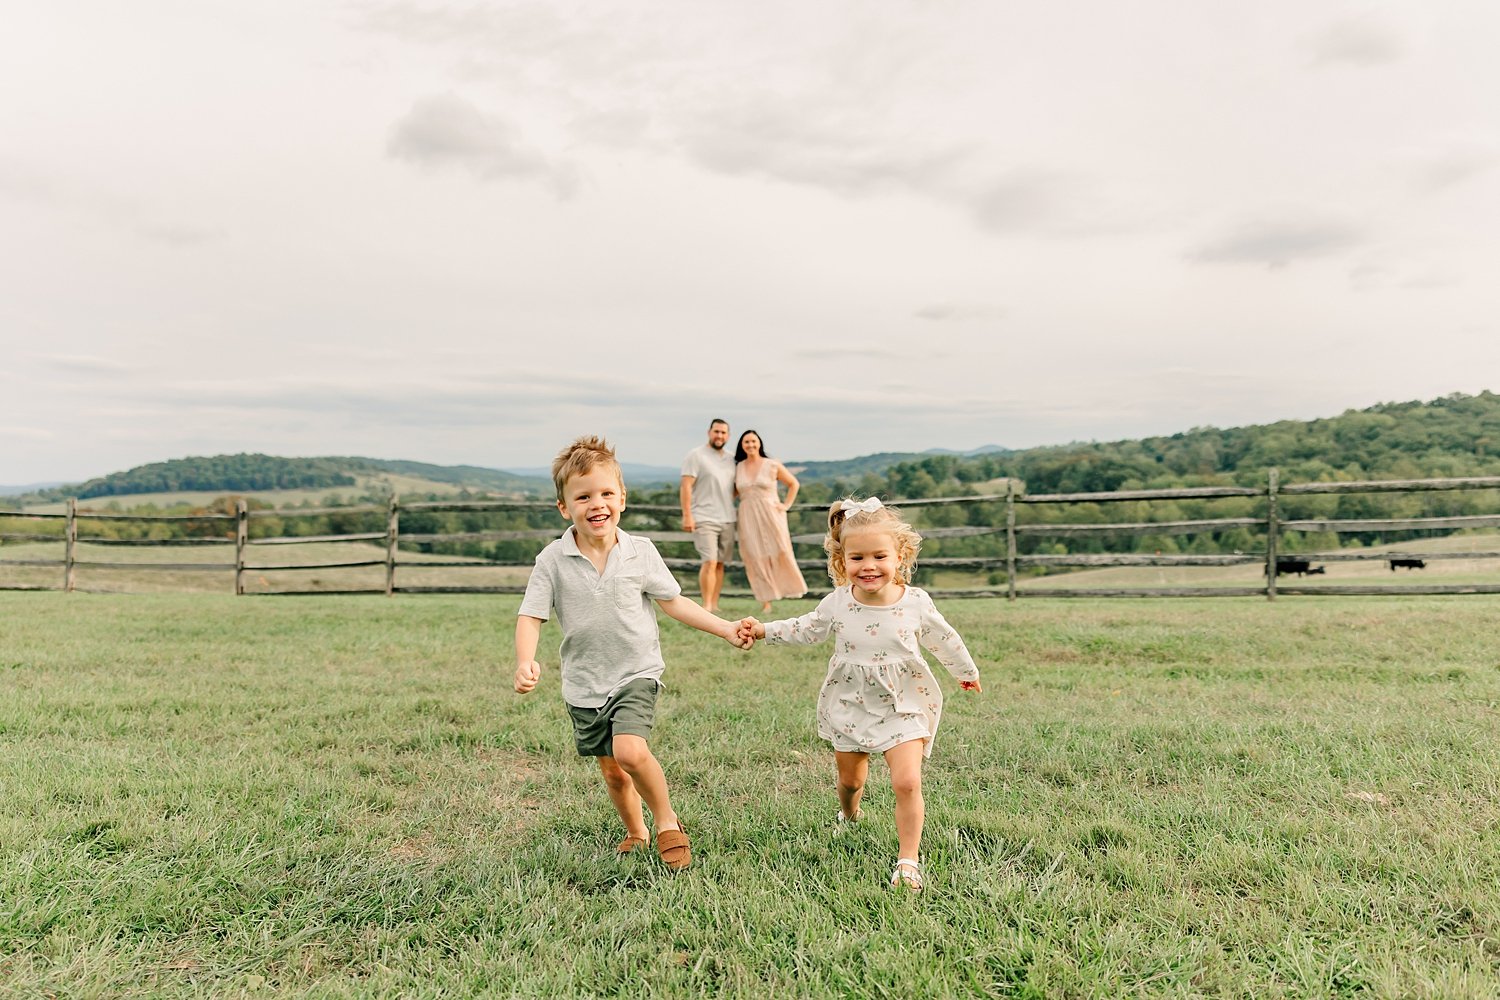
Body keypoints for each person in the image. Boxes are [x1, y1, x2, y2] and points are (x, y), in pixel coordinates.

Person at [515, 435, 751, 872]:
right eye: (583, 496)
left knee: (629, 751)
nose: (596, 503)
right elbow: (531, 615)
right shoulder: (551, 559)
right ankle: (636, 831)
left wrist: (724, 629)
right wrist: (526, 659)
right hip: (584, 682)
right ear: (565, 507)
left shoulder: (640, 552)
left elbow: (674, 602)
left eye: (606, 493)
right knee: (612, 770)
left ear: (622, 497)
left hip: (636, 672)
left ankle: (665, 823)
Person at [737, 497, 981, 893]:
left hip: (904, 702)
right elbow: (806, 628)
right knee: (851, 780)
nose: (868, 566)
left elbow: (943, 638)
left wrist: (965, 672)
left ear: (900, 556)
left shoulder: (915, 602)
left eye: (879, 556)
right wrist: (765, 629)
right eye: (857, 558)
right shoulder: (838, 603)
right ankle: (849, 814)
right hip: (850, 702)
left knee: (907, 782)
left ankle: (908, 862)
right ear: (841, 561)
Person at [733, 429, 806, 613]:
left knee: (780, 549)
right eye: (746, 442)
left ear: (759, 443)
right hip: (747, 514)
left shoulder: (771, 464)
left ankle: (789, 589)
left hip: (771, 513)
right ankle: (766, 600)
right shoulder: (738, 467)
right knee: (755, 554)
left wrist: (786, 505)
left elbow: (793, 483)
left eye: (753, 441)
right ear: (742, 445)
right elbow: (732, 492)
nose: (750, 445)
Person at [679, 418, 738, 613]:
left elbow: (735, 488)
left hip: (728, 518)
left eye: (723, 432)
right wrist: (687, 515)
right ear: (709, 432)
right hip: (704, 516)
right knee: (710, 561)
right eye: (716, 431)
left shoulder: (731, 459)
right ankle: (705, 605)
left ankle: (715, 603)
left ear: (728, 436)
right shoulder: (696, 455)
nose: (719, 436)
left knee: (720, 563)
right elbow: (686, 486)